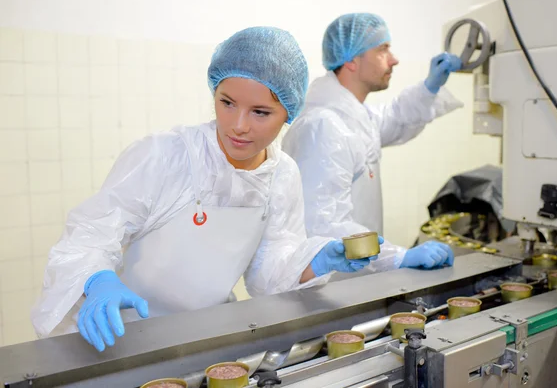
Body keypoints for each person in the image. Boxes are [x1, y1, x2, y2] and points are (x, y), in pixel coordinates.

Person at [31, 27, 379, 352]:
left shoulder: (282, 174)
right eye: (227, 102)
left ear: (288, 113)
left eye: (260, 112)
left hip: (197, 336)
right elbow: (90, 233)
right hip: (115, 332)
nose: (239, 126)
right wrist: (98, 282)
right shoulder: (164, 155)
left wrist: (314, 262)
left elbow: (268, 274)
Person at [282, 13, 462, 273]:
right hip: (330, 287)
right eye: (383, 49)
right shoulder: (323, 127)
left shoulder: (353, 117)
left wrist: (429, 87)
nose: (394, 59)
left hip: (354, 279)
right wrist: (397, 256)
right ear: (353, 60)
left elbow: (395, 118)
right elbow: (325, 224)